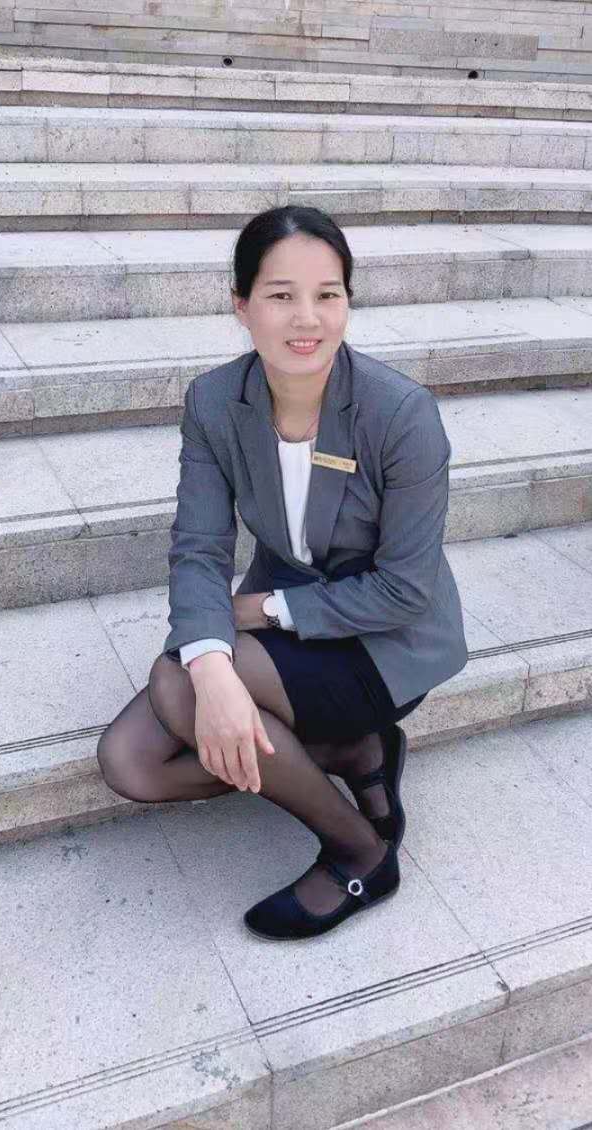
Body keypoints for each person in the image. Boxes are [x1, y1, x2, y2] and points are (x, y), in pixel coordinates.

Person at [96, 205, 468, 942]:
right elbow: (199, 547)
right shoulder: (214, 402)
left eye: (328, 294)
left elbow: (405, 589)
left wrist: (260, 614)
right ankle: (350, 750)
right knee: (131, 763)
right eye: (280, 295)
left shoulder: (400, 413)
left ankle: (359, 852)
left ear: (348, 301)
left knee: (176, 681)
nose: (307, 318)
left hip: (385, 637)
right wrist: (215, 666)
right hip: (286, 620)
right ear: (241, 305)